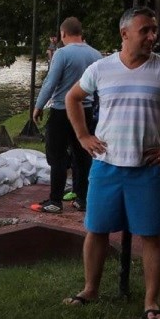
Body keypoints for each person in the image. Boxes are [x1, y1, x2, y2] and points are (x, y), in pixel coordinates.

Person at [62, 6, 160, 319]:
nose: (152, 36)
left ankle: (151, 303)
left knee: (152, 235)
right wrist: (84, 135)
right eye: (145, 30)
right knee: (97, 230)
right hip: (106, 166)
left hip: (147, 167)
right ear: (124, 33)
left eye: (154, 30)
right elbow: (72, 98)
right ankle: (90, 289)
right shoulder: (101, 68)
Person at [31, 17, 103, 213]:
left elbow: (50, 82)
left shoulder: (62, 54)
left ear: (63, 34)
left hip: (62, 111)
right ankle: (82, 199)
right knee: (82, 155)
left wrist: (38, 106)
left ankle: (55, 201)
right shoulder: (96, 55)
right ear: (81, 33)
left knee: (57, 157)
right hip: (86, 111)